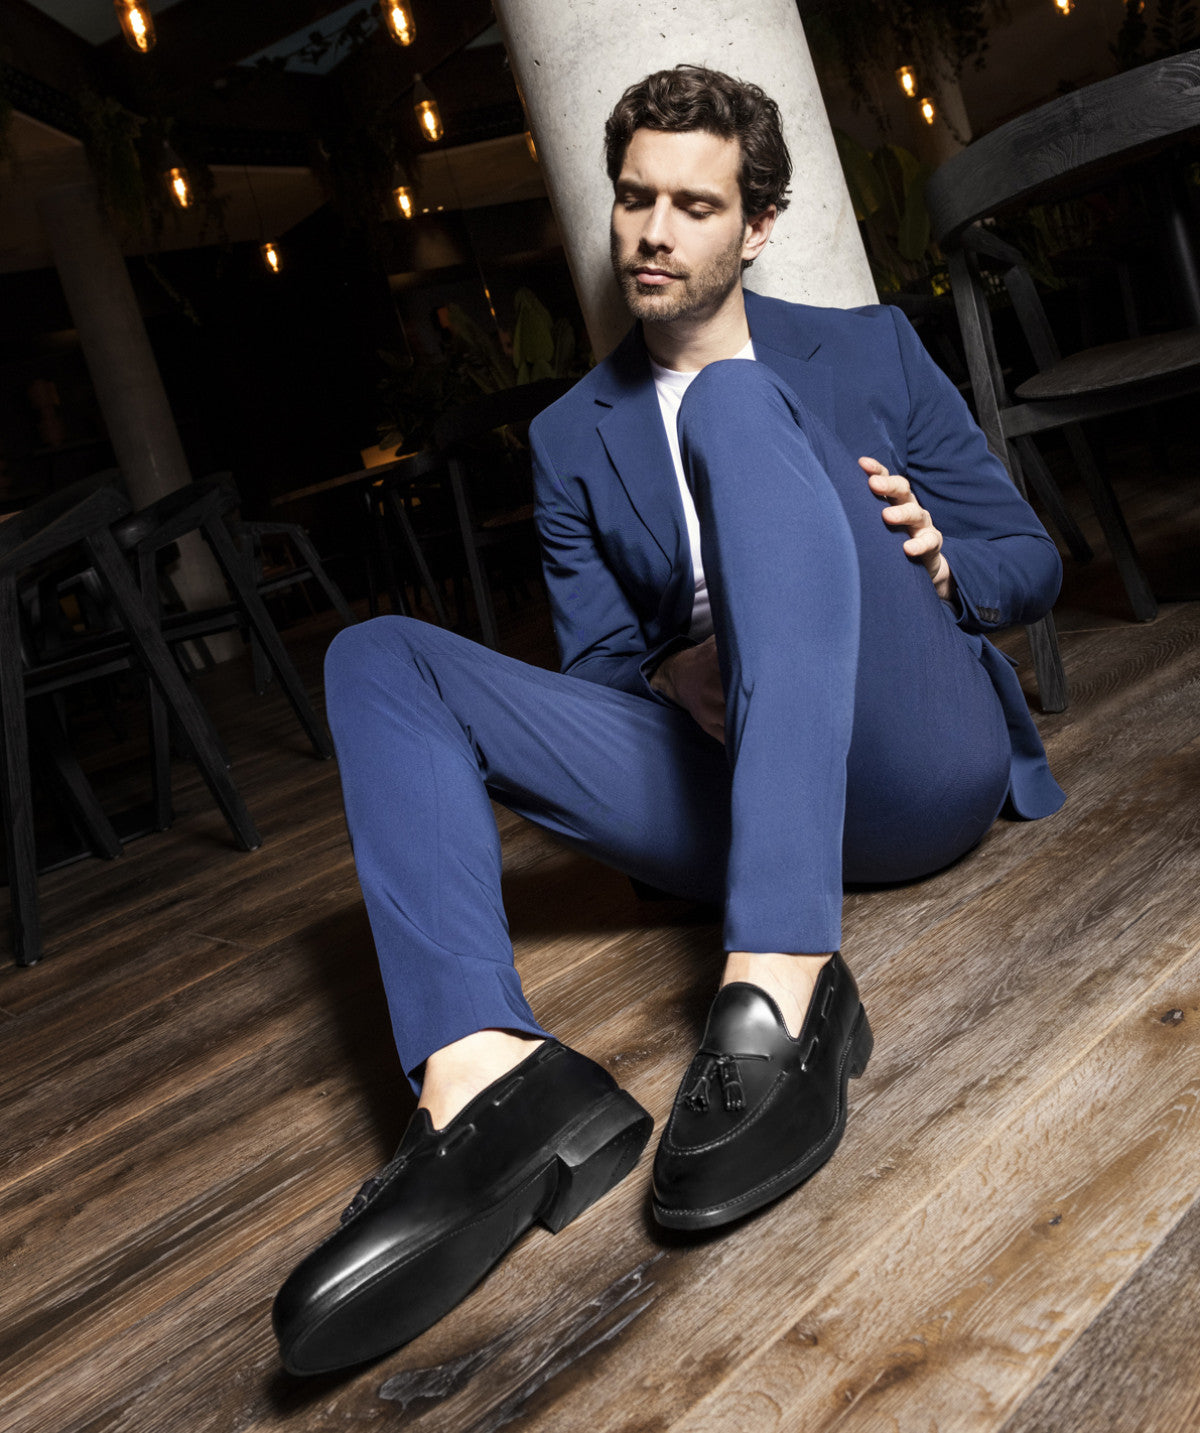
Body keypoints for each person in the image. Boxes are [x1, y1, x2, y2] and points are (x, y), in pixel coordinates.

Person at [272, 64, 1064, 1376]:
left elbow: (1028, 560)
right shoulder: (572, 435)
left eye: (694, 205)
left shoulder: (868, 348)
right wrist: (661, 678)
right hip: (726, 775)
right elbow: (595, 663)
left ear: (756, 226)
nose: (653, 231)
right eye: (635, 198)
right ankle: (485, 1087)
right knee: (378, 658)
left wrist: (939, 559)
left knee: (739, 401)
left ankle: (780, 987)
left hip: (904, 749)